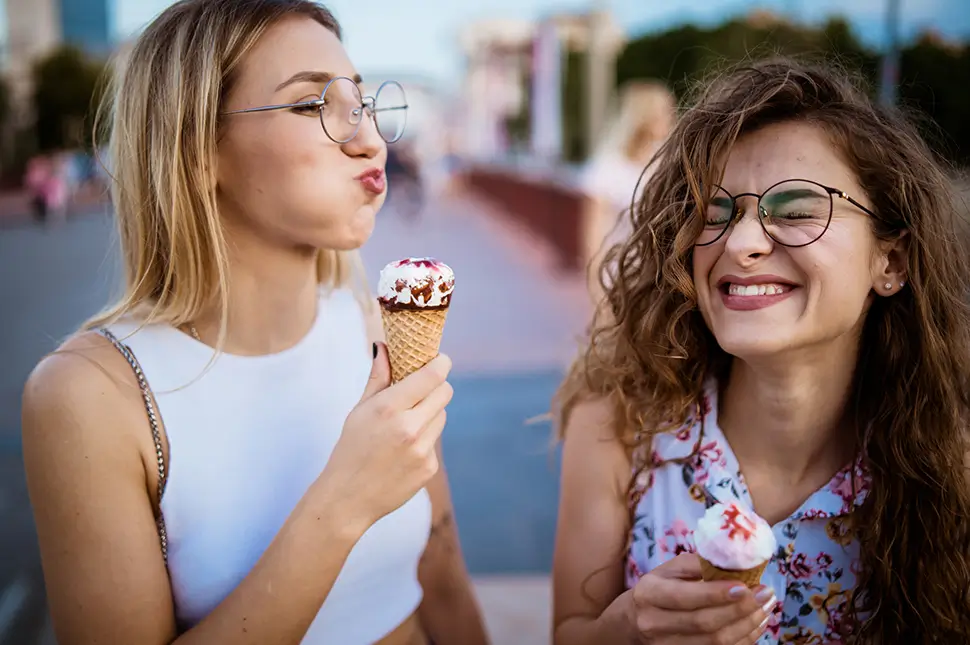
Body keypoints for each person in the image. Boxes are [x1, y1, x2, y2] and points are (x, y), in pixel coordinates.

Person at [21, 2, 489, 644]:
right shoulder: (90, 397)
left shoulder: (367, 327)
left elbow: (441, 570)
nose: (369, 140)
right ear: (195, 151)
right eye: (309, 105)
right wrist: (345, 502)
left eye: (362, 104)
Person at [551, 57, 970, 644]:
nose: (740, 242)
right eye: (714, 213)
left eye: (797, 210)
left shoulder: (950, 467)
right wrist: (627, 630)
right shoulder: (616, 429)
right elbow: (569, 631)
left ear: (891, 260)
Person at [579, 80, 676, 302]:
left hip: (661, 284)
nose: (671, 116)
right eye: (664, 111)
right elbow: (593, 235)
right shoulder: (608, 168)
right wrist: (598, 290)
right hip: (619, 281)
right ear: (644, 116)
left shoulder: (669, 164)